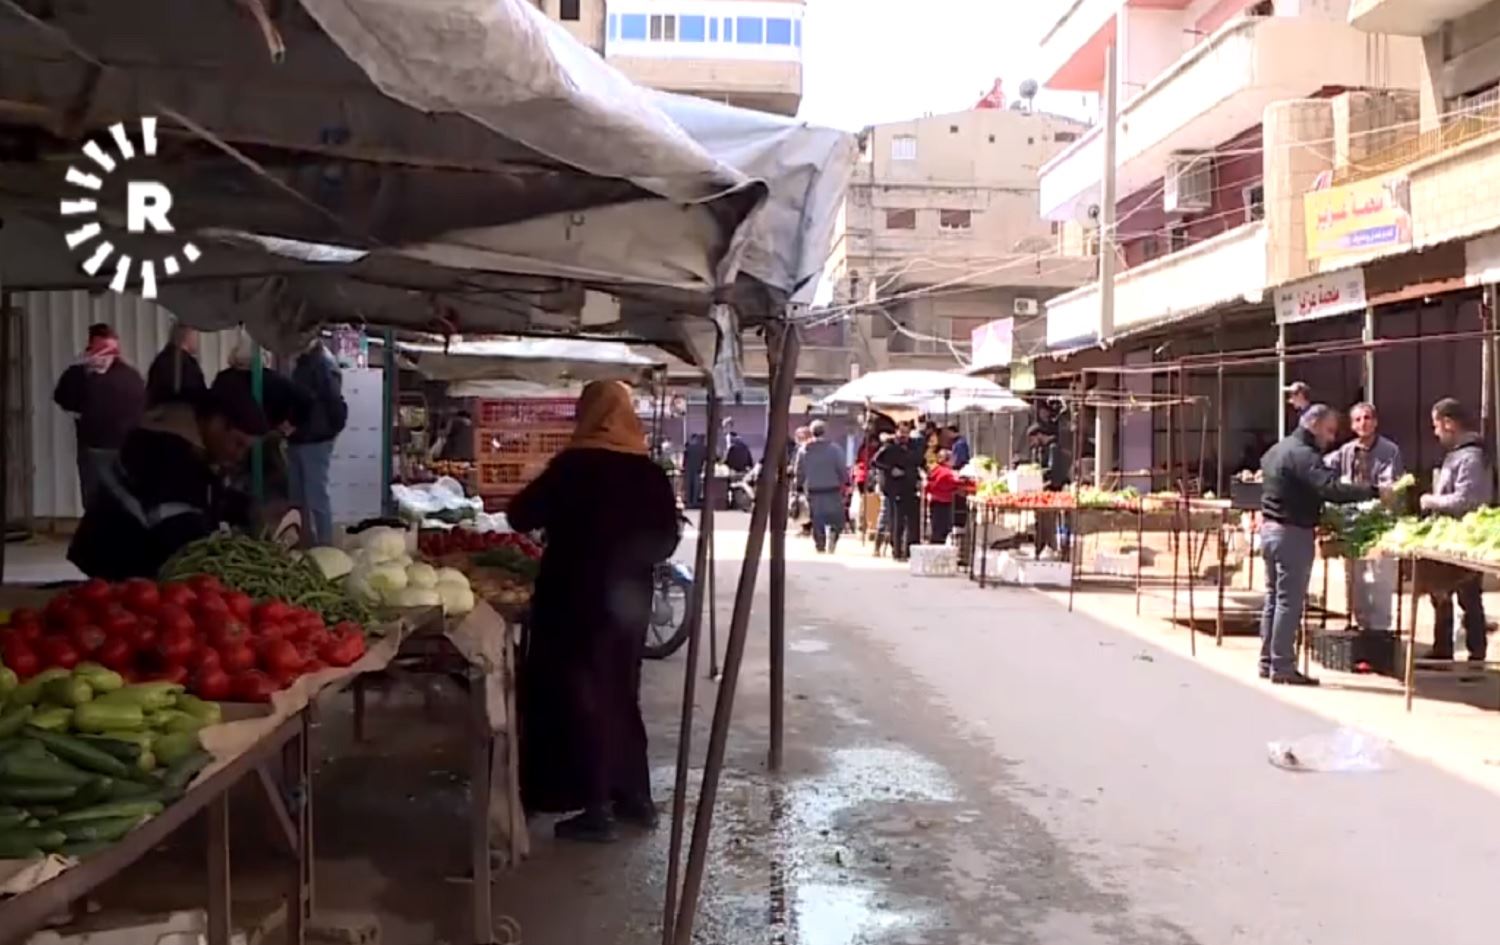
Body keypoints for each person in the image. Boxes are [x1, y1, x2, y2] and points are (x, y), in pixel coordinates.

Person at [508, 381, 681, 843]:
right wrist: (629, 556)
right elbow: (668, 539)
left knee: (576, 694)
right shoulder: (649, 473)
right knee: (621, 690)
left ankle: (595, 806)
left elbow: (518, 515)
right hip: (629, 600)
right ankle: (635, 797)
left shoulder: (572, 467)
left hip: (574, 595)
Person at [67, 385, 269, 580]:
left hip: (126, 560)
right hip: (118, 562)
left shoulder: (189, 442)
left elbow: (209, 494)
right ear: (216, 423)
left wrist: (249, 508)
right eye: (238, 443)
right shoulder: (167, 453)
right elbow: (181, 534)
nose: (239, 455)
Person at [1259, 405, 1384, 686]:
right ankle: (1282, 666)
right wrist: (1372, 491)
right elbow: (1330, 489)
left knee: (1273, 599)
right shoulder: (1304, 455)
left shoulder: (1277, 450)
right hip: (1292, 533)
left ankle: (1268, 660)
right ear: (1314, 425)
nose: (1330, 438)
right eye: (1328, 431)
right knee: (1288, 602)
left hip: (1269, 530)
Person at [1419, 398, 1493, 662]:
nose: (1436, 432)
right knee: (1441, 593)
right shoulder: (1457, 455)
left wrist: (1431, 501)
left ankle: (1476, 651)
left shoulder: (1471, 457)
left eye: (1437, 426)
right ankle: (1443, 647)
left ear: (1449, 423)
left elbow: (1467, 499)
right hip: (1448, 534)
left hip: (1466, 536)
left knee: (1468, 594)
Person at [1324, 402, 1404, 633]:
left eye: (1367, 418)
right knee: (1355, 577)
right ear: (1352, 425)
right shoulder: (1346, 450)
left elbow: (1389, 486)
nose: (1363, 423)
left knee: (1380, 577)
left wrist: (1374, 498)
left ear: (1375, 422)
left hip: (1379, 521)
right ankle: (1359, 624)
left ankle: (1380, 630)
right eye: (1358, 420)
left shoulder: (1390, 450)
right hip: (1352, 523)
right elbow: (1325, 467)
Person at [53, 324, 146, 509]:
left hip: (106, 446)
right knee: (115, 499)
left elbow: (64, 399)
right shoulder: (129, 375)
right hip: (109, 447)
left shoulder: (122, 375)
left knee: (102, 500)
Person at [288, 337, 348, 547]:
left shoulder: (322, 364)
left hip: (314, 438)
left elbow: (333, 403)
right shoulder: (308, 362)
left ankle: (324, 546)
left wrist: (326, 431)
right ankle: (303, 541)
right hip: (302, 436)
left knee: (314, 495)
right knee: (299, 495)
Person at [794, 420, 848, 553]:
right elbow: (841, 468)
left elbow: (799, 471)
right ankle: (833, 535)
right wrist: (845, 481)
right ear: (825, 431)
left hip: (813, 489)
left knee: (817, 519)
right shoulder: (835, 449)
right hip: (832, 488)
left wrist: (798, 486)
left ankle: (820, 544)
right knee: (836, 517)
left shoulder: (804, 450)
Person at [874, 425, 921, 560]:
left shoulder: (914, 446)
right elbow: (876, 461)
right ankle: (896, 550)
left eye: (906, 433)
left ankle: (909, 550)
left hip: (910, 487)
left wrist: (920, 476)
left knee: (911, 521)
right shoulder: (889, 446)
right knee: (895, 520)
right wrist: (891, 469)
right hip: (894, 488)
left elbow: (917, 462)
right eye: (901, 432)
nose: (904, 436)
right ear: (896, 433)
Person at [145, 323, 206, 407]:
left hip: (159, 414)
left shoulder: (160, 360)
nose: (197, 341)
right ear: (188, 336)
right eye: (196, 336)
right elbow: (197, 394)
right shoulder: (188, 365)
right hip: (183, 414)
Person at [925, 449, 959, 545]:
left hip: (935, 501)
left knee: (936, 527)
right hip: (943, 502)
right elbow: (952, 484)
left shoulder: (935, 470)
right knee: (941, 529)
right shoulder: (946, 472)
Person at [682, 433, 708, 509]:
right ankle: (694, 502)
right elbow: (708, 458)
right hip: (697, 469)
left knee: (689, 485)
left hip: (688, 469)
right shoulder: (703, 448)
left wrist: (684, 467)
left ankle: (689, 502)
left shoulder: (689, 447)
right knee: (696, 486)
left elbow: (685, 459)